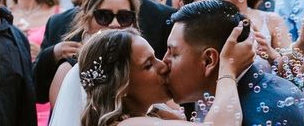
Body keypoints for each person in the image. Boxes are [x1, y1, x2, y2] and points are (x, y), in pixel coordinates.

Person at [32, 0, 175, 105]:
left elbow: (176, 88)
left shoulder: (160, 18)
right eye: (103, 17)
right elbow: (38, 94)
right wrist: (53, 55)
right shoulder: (59, 24)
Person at [164, 0, 304, 124]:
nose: (164, 62)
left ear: (209, 60)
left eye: (173, 53)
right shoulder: (257, 92)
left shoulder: (257, 112)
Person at [79, 21, 252, 125]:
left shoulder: (154, 114)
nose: (163, 66)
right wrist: (228, 67)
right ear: (122, 86)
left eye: (155, 57)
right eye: (148, 65)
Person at [48, 0, 141, 125]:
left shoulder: (143, 68)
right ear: (86, 20)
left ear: (133, 22)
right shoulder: (67, 71)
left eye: (124, 17)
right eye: (104, 16)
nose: (114, 24)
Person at [7, 0, 60, 126]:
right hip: (13, 95)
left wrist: (43, 53)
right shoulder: (2, 14)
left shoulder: (57, 14)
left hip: (44, 97)